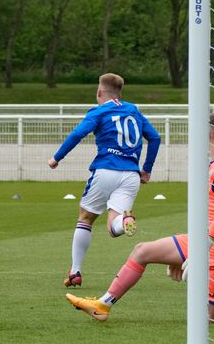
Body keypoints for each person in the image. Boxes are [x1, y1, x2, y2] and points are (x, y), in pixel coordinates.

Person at [66, 112, 214, 323]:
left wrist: (201, 251)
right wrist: (184, 254)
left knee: (212, 317)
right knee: (142, 251)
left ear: (209, 133)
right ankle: (102, 305)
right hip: (201, 241)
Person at [48, 73, 161, 287]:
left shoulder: (98, 111)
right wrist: (147, 170)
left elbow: (77, 133)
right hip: (130, 175)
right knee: (113, 226)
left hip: (105, 170)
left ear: (99, 92)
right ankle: (124, 222)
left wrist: (56, 158)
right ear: (120, 92)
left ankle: (76, 272)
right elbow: (155, 137)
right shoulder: (133, 110)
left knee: (85, 218)